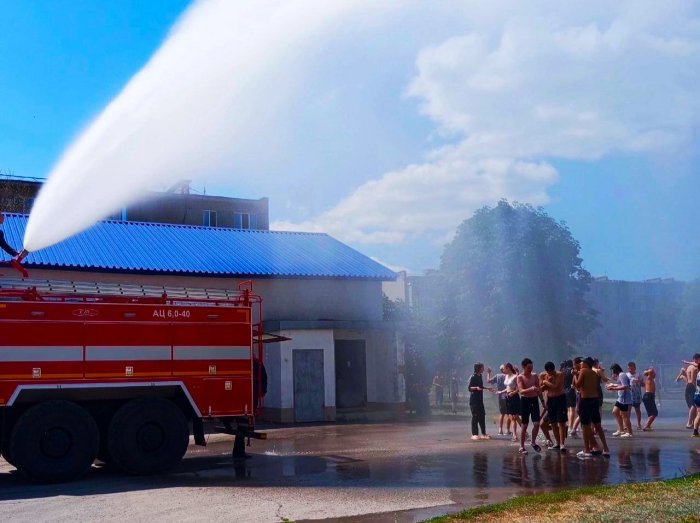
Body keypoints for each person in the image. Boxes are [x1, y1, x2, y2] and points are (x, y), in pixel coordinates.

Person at [574, 357, 610, 458]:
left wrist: (574, 376)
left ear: (586, 364)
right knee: (598, 425)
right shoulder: (595, 372)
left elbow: (577, 385)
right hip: (595, 400)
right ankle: (606, 448)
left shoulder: (583, 371)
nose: (581, 365)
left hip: (585, 401)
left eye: (582, 363)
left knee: (586, 426)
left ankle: (587, 450)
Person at [516, 358, 542, 454]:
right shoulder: (520, 377)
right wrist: (531, 388)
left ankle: (533, 442)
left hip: (534, 400)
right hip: (525, 401)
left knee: (536, 424)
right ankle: (522, 446)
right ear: (523, 367)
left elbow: (538, 389)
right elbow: (521, 391)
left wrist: (542, 401)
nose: (530, 369)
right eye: (528, 367)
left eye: (531, 367)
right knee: (524, 425)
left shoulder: (535, 375)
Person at [541, 361, 567, 453]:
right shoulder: (544, 375)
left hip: (560, 398)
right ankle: (557, 443)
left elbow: (556, 386)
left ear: (554, 369)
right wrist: (545, 381)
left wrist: (545, 381)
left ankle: (562, 443)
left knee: (561, 422)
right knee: (553, 422)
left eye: (551, 372)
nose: (549, 373)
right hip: (551, 400)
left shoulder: (560, 374)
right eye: (548, 372)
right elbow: (542, 388)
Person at [608, 363, 633, 438]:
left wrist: (614, 388)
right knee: (615, 412)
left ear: (615, 369)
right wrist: (613, 385)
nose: (612, 372)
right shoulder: (620, 375)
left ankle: (629, 433)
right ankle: (621, 430)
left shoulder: (622, 375)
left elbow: (625, 386)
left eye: (612, 370)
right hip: (620, 398)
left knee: (625, 416)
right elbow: (620, 384)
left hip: (625, 399)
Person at [468, 363, 492, 440]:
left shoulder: (480, 376)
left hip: (480, 400)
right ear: (478, 368)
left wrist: (487, 388)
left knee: (482, 416)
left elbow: (480, 387)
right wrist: (476, 388)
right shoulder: (473, 377)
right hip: (474, 400)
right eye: (482, 368)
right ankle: (474, 434)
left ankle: (484, 433)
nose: (483, 369)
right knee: (475, 416)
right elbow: (469, 388)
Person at [487, 365, 509, 436]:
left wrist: (488, 373)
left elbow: (488, 380)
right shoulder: (509, 376)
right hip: (508, 396)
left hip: (501, 397)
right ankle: (507, 430)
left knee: (502, 413)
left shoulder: (498, 376)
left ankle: (500, 430)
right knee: (509, 414)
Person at [503, 362, 521, 442]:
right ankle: (523, 432)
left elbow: (519, 388)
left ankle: (515, 435)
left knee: (515, 417)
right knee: (512, 417)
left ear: (508, 368)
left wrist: (513, 393)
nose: (503, 370)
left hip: (514, 397)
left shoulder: (515, 376)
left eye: (504, 368)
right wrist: (502, 392)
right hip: (507, 397)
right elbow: (507, 387)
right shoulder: (506, 376)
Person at [627, 361, 644, 431]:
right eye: (629, 368)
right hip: (629, 395)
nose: (630, 370)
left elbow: (643, 384)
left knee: (637, 410)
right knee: (628, 410)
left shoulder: (638, 375)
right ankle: (627, 424)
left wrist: (639, 381)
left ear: (635, 368)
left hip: (637, 395)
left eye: (632, 368)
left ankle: (639, 424)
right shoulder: (626, 375)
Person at [641, 367, 659, 431]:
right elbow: (649, 371)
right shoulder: (649, 377)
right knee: (654, 412)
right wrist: (651, 370)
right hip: (649, 396)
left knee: (651, 413)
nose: (655, 374)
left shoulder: (649, 379)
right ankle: (646, 426)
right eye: (654, 373)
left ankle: (648, 426)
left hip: (649, 396)